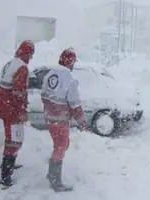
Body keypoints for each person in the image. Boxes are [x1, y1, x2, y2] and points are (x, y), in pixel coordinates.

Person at [41, 48, 87, 192]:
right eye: (73, 61)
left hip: (49, 117)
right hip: (60, 120)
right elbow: (75, 104)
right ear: (70, 61)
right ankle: (55, 181)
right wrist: (81, 122)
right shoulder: (69, 78)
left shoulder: (50, 73)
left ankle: (51, 173)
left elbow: (43, 95)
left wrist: (51, 108)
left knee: (62, 145)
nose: (73, 65)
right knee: (60, 147)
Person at [0, 40, 35, 189]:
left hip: (3, 105)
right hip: (12, 108)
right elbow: (19, 93)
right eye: (31, 55)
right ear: (28, 54)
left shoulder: (10, 63)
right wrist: (21, 111)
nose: (30, 58)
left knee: (10, 137)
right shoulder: (22, 68)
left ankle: (8, 163)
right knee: (15, 140)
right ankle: (6, 177)